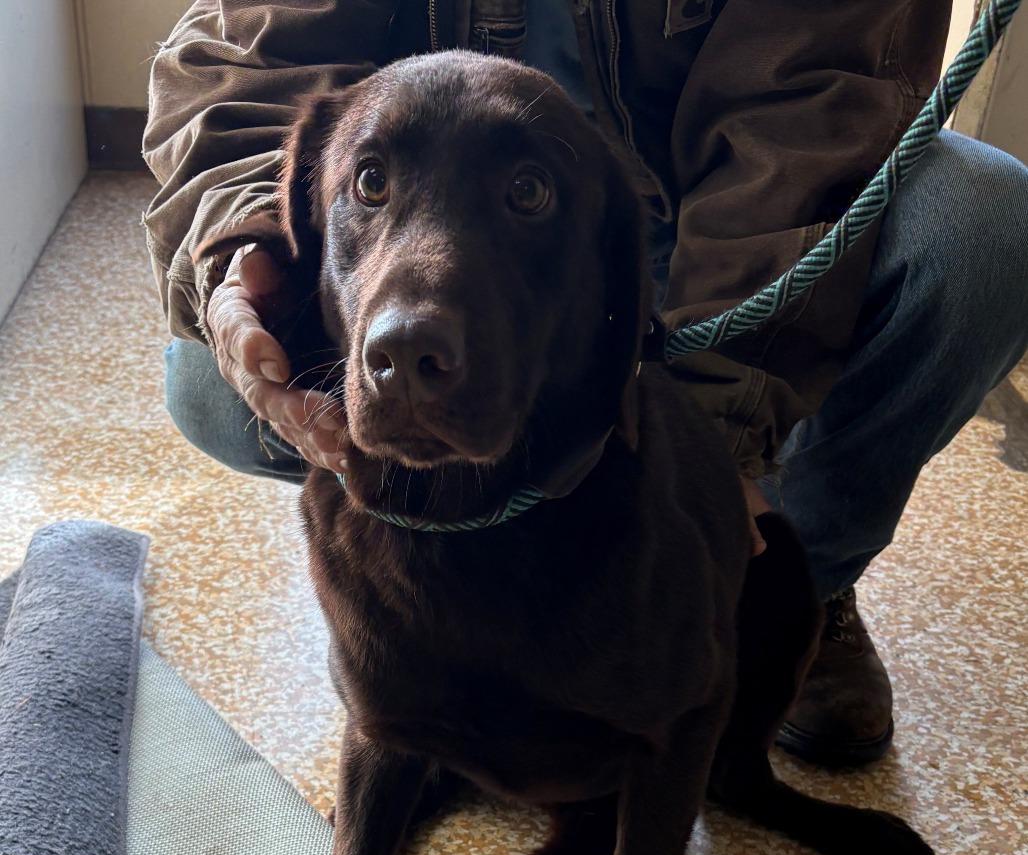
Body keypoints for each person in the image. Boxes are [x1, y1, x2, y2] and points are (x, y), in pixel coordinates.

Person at [145, 0, 1028, 766]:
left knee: (984, 232)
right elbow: (248, 55)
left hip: (702, 230)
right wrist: (246, 237)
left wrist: (714, 445)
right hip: (415, 242)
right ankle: (447, 588)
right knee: (211, 378)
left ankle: (784, 576)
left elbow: (805, 111)